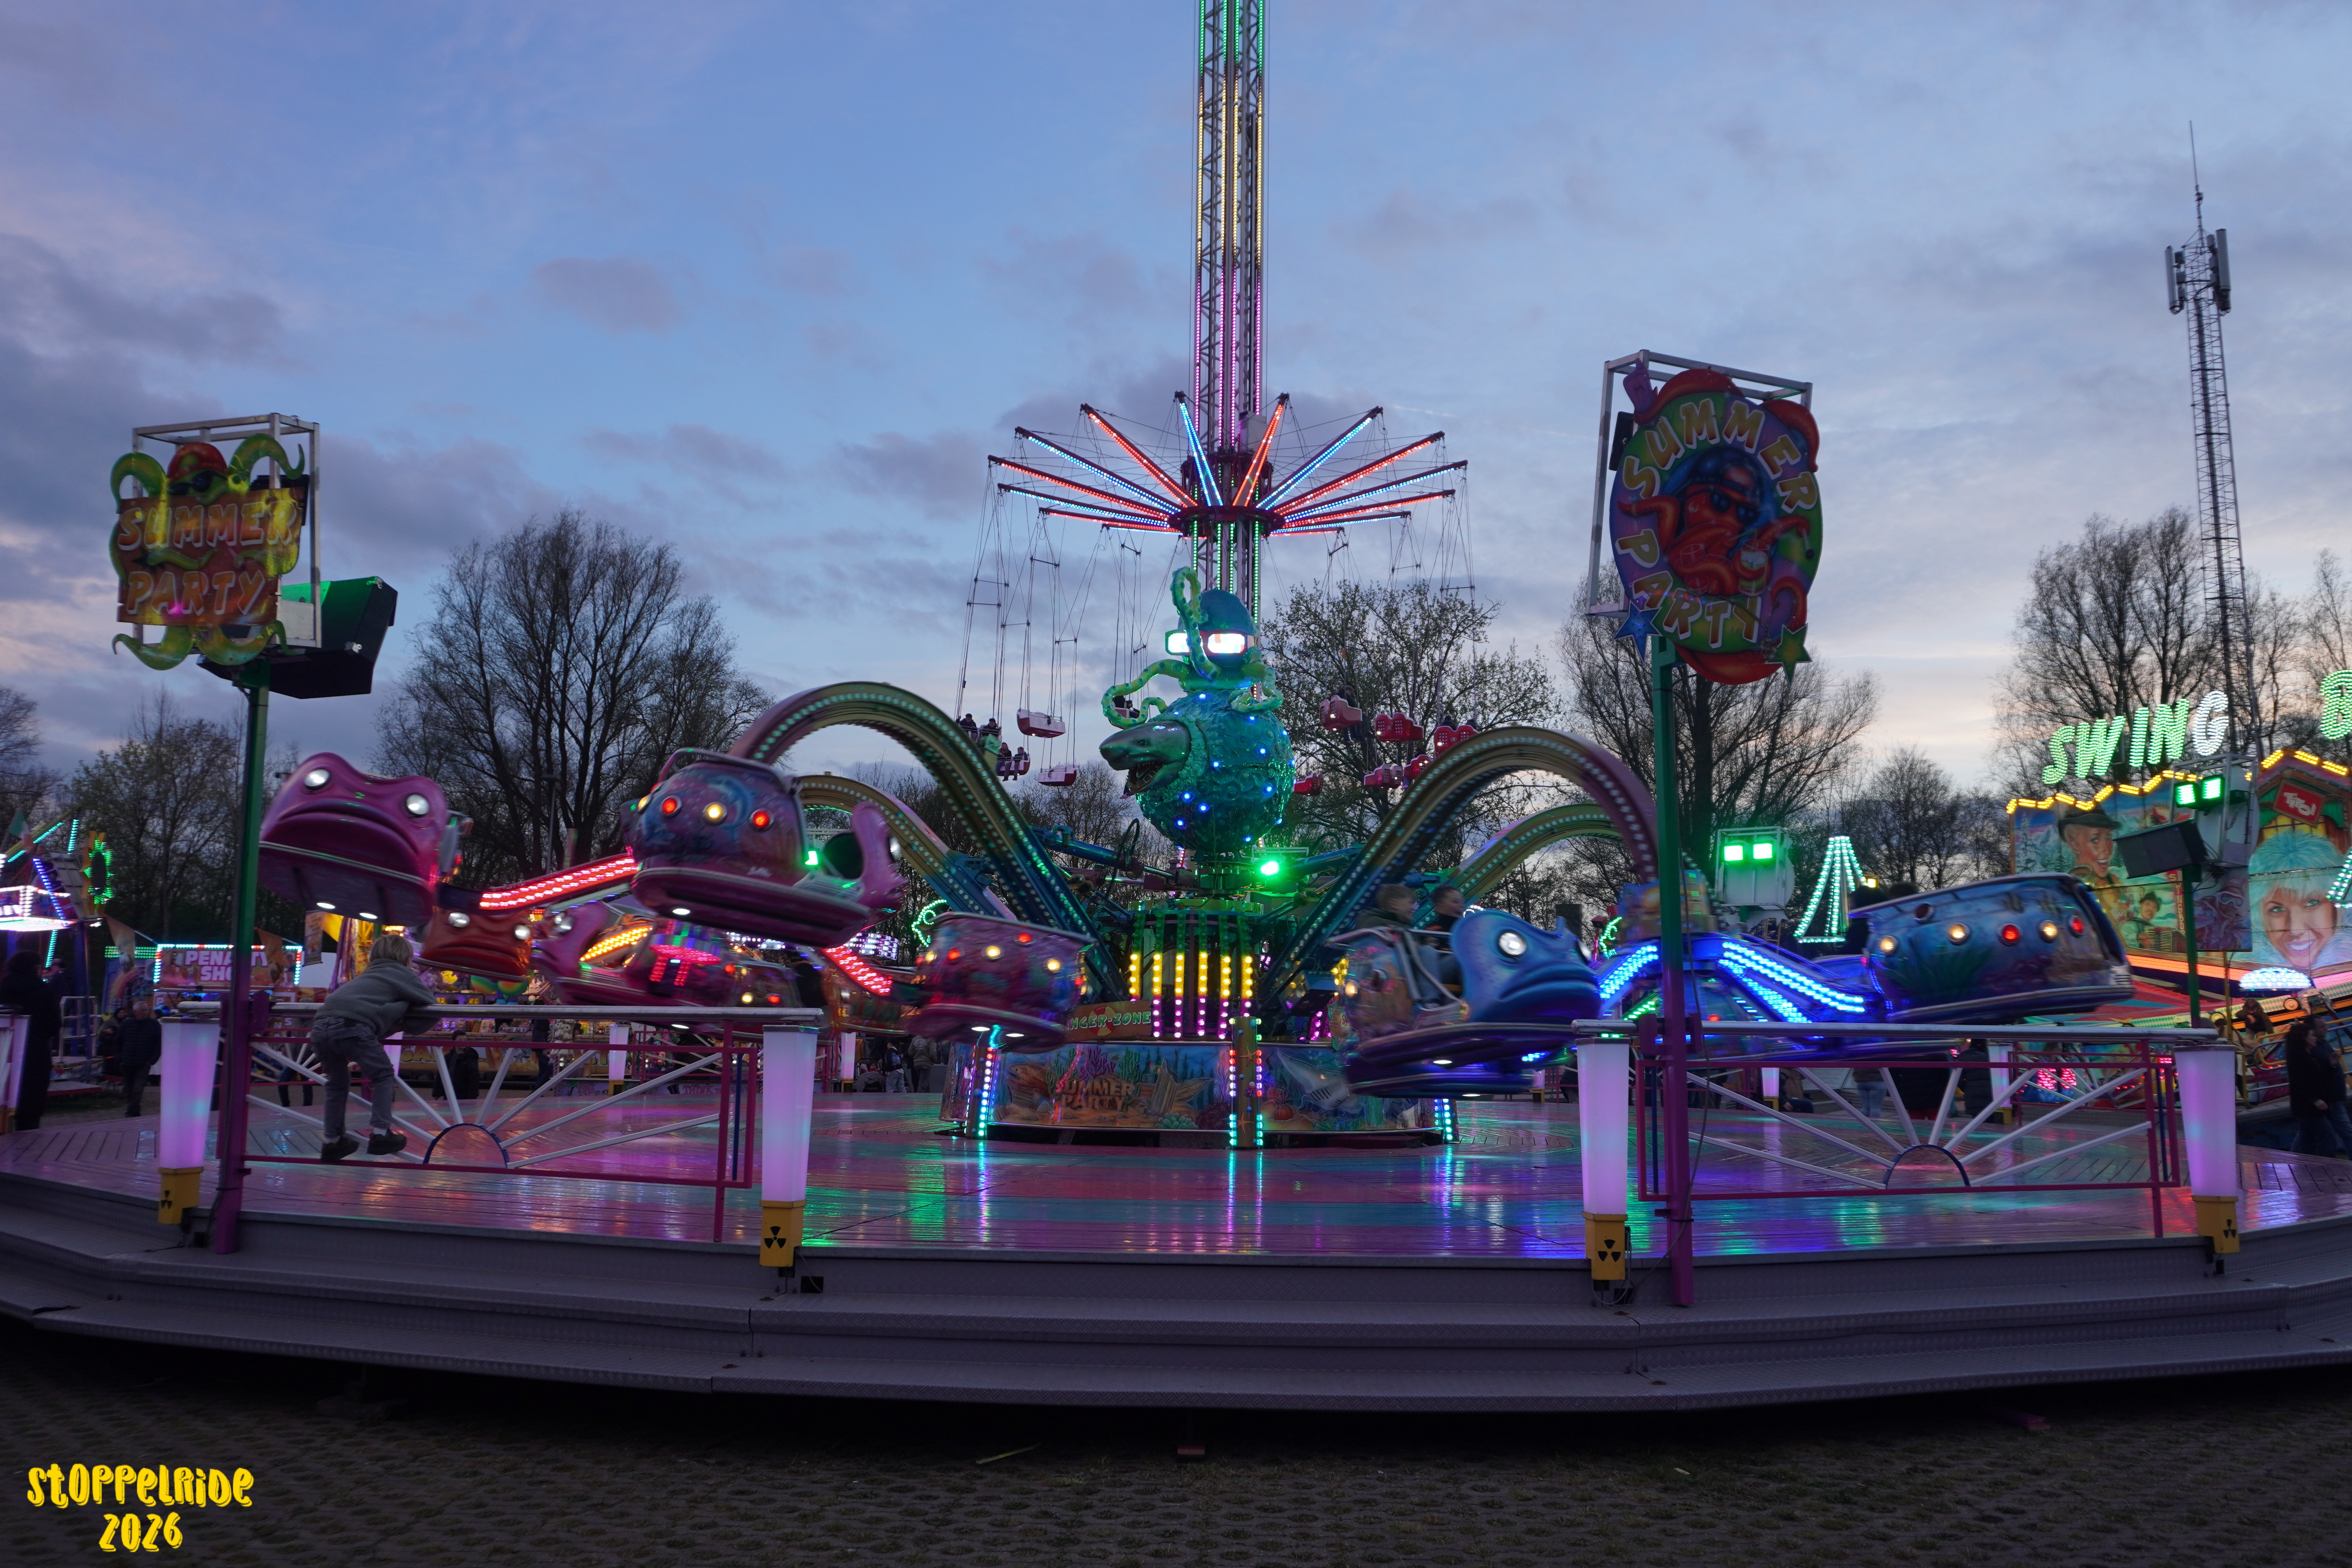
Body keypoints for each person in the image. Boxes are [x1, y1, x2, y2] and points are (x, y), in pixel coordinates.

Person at [308, 931, 439, 1161]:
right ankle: (380, 1134)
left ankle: (332, 1141)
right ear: (407, 958)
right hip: (353, 1027)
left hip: (320, 1027)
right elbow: (432, 1009)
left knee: (337, 1084)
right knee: (383, 1075)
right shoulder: (403, 975)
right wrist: (404, 1022)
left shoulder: (366, 976)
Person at [0, 948, 61, 1130]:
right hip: (35, 1050)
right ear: (35, 968)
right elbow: (54, 1023)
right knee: (32, 1101)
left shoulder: (3, 988)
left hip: (4, 1050)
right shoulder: (45, 991)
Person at [2285, 1021, 2352, 1160]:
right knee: (2327, 1136)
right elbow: (2300, 1082)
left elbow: (2318, 1078)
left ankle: (2298, 1163)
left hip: (2310, 1105)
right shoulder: (2299, 1057)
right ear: (2304, 1039)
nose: (2314, 1038)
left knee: (2307, 1138)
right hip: (2308, 1106)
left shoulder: (2307, 1055)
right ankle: (2323, 1165)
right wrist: (2315, 1099)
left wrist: (2332, 1066)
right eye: (2311, 1035)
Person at [114, 995, 162, 1118]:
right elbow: (118, 1042)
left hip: (143, 1063)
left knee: (138, 1088)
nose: (146, 1013)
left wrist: (151, 1061)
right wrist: (119, 1059)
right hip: (126, 1062)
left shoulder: (154, 1025)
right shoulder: (127, 1025)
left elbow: (159, 1044)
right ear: (136, 1012)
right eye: (143, 1010)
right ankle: (135, 1112)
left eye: (147, 1010)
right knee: (129, 1089)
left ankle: (130, 1112)